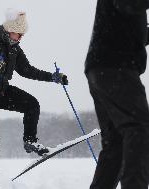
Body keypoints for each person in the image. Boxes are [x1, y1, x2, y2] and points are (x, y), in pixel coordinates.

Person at [0, 8, 68, 188]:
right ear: (9, 30)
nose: (21, 37)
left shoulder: (14, 49)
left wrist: (52, 77)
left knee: (32, 104)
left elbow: (27, 70)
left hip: (1, 92)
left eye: (22, 35)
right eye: (18, 34)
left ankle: (30, 141)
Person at [85, 0, 149, 188]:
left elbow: (135, 32)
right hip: (115, 68)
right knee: (138, 128)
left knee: (116, 143)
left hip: (102, 67)